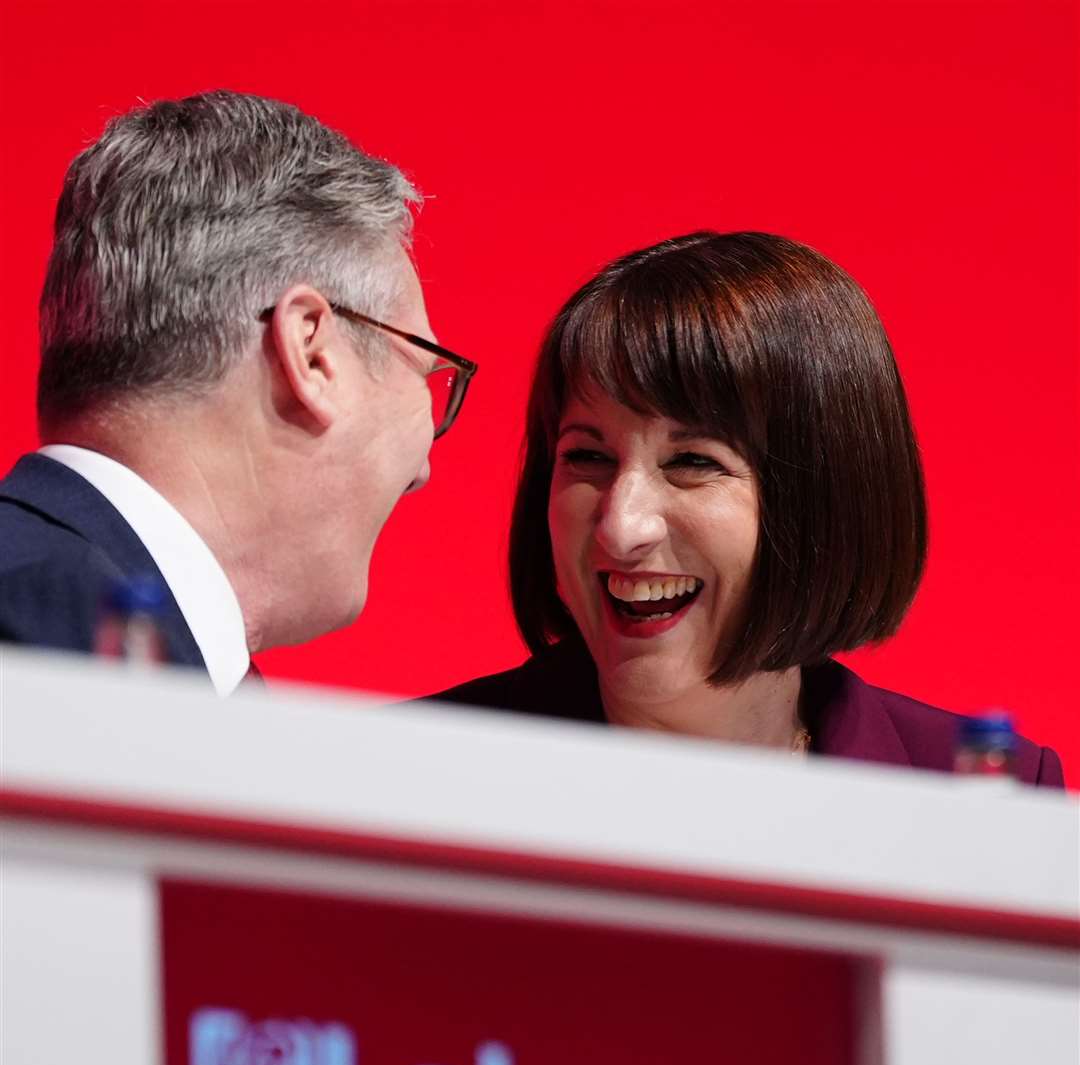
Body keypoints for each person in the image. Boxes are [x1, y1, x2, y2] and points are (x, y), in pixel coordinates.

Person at [429, 231, 1063, 785]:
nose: (622, 528)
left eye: (694, 462)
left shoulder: (983, 798)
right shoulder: (412, 771)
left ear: (824, 500)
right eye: (588, 458)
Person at [0, 91, 476, 693]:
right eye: (427, 368)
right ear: (313, 352)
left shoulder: (103, 644)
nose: (425, 468)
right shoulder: (37, 645)